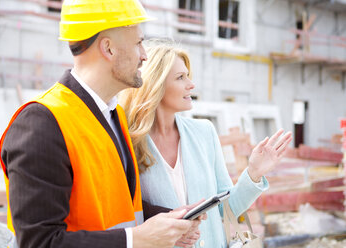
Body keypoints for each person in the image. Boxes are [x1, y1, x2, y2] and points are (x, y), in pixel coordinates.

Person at [0, 2, 204, 248]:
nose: (144, 55)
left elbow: (118, 209)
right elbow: (39, 242)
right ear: (108, 48)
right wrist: (135, 240)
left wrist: (168, 219)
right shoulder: (41, 124)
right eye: (138, 43)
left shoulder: (112, 112)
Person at [120, 39, 293, 248]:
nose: (191, 85)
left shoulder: (204, 132)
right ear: (156, 84)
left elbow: (226, 208)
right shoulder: (129, 140)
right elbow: (128, 214)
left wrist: (254, 173)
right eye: (180, 77)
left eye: (188, 76)